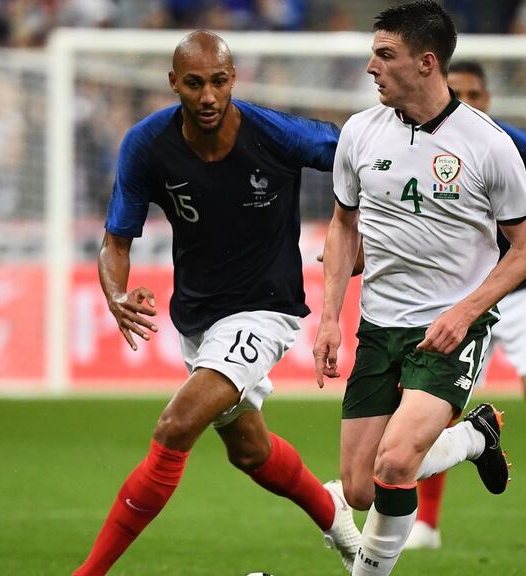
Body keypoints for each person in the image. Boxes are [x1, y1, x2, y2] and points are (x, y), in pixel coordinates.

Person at [72, 31, 359, 576]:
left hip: (266, 309)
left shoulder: (275, 134)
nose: (208, 96)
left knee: (175, 426)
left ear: (234, 81)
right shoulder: (146, 145)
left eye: (219, 82)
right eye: (196, 83)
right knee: (250, 452)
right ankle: (333, 513)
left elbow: (361, 154)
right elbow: (116, 240)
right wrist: (115, 293)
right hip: (199, 318)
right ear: (174, 83)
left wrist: (358, 230)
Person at [314, 3, 526, 574]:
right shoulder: (360, 133)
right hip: (378, 327)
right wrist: (328, 317)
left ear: (425, 62)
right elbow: (343, 225)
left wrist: (466, 312)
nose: (371, 66)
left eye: (384, 54)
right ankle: (474, 438)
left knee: (395, 462)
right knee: (359, 488)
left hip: (448, 330)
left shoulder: (488, 145)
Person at [399, 59, 526, 551]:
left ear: (488, 99)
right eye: (456, 91)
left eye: (475, 93)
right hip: (462, 292)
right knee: (434, 404)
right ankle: (429, 523)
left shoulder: (515, 146)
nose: (467, 101)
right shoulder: (426, 146)